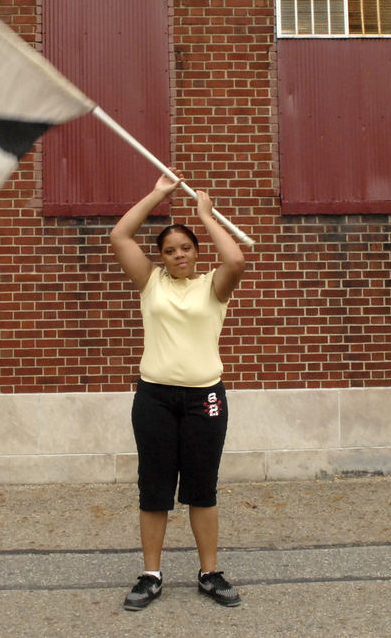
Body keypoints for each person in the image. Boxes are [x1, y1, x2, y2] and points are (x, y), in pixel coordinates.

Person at [110, 172, 246, 611]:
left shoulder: (213, 286)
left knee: (202, 490)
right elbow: (120, 235)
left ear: (195, 252)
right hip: (154, 399)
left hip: (204, 399)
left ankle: (209, 573)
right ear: (162, 258)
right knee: (154, 490)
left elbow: (237, 260)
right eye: (169, 250)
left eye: (185, 248)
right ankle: (151, 575)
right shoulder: (151, 283)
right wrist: (158, 193)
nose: (178, 255)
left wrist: (205, 215)